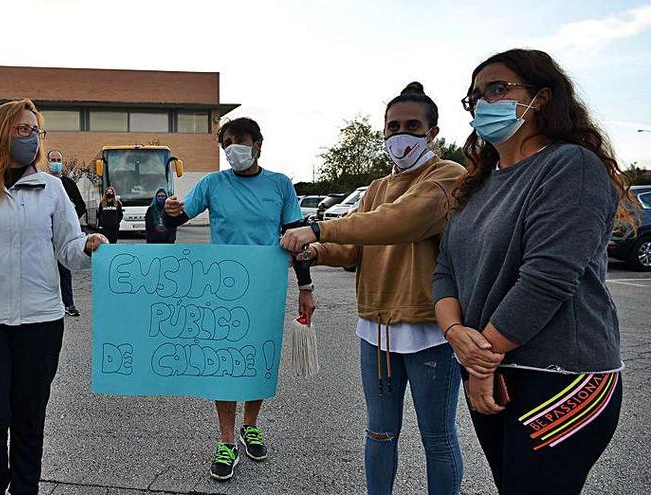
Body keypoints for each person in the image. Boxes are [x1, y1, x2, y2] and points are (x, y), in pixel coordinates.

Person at [433, 49, 634, 495]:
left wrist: (481, 358)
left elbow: (547, 279)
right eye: (475, 97)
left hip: (560, 376)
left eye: (498, 89)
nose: (484, 103)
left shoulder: (570, 166)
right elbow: (445, 270)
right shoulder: (478, 183)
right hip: (492, 368)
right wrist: (454, 334)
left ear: (541, 98)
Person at [281, 82, 466, 495]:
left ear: (432, 132)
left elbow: (399, 222)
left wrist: (316, 227)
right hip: (376, 329)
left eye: (413, 126)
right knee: (380, 432)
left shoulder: (448, 176)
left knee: (437, 437)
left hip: (430, 330)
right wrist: (314, 250)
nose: (402, 134)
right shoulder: (379, 187)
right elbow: (352, 247)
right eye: (393, 126)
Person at [0, 99, 107, 495]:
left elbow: (67, 248)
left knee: (30, 419)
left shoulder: (52, 189)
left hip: (41, 323)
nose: (32, 138)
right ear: (0, 133)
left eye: (36, 131)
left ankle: (26, 489)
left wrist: (88, 247)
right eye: (23, 130)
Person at [163, 117, 314, 481]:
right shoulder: (213, 183)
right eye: (226, 142)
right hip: (222, 291)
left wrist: (306, 287)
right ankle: (227, 440)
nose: (233, 148)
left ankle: (252, 425)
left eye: (239, 140)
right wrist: (166, 211)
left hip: (265, 289)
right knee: (224, 363)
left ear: (258, 143)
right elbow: (177, 219)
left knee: (257, 359)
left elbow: (296, 237)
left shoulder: (280, 185)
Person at [48, 149, 87, 317]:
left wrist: (69, 222)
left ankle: (69, 303)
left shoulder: (69, 184)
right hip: (45, 236)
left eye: (58, 159)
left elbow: (81, 206)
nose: (56, 162)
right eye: (53, 159)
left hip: (62, 236)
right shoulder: (44, 183)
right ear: (48, 162)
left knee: (65, 269)